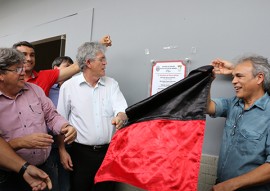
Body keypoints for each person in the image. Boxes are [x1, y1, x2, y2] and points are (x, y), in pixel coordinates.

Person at [0, 48, 77, 191]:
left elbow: (52, 116)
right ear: (1, 75)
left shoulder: (35, 90)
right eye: (17, 69)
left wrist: (65, 127)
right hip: (9, 175)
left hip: (45, 167)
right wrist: (21, 143)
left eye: (22, 67)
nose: (23, 72)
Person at [57, 42, 128, 191]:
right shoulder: (69, 87)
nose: (105, 63)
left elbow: (121, 109)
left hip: (108, 154)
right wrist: (62, 151)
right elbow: (60, 122)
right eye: (101, 59)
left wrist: (120, 117)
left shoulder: (111, 84)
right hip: (80, 154)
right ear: (88, 62)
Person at [208, 55, 270, 191]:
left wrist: (229, 185)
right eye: (233, 76)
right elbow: (208, 107)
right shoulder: (233, 104)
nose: (233, 81)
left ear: (259, 78)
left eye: (239, 76)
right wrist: (206, 82)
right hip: (221, 185)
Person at [12, 35, 112, 96]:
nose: (29, 59)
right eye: (23, 55)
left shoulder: (45, 77)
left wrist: (99, 45)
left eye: (32, 55)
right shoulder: (5, 79)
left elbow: (75, 66)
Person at [47, 56, 74, 191]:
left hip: (70, 142)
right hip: (49, 144)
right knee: (51, 183)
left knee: (66, 183)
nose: (70, 70)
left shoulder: (74, 89)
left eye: (72, 67)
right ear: (55, 69)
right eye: (66, 66)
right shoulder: (46, 89)